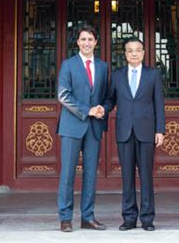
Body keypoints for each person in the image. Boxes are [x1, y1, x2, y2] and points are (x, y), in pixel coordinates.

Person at [103, 37, 165, 231]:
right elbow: (110, 100)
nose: (134, 53)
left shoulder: (152, 74)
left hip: (146, 131)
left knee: (146, 176)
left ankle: (147, 218)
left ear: (144, 52)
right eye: (130, 50)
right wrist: (101, 109)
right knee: (127, 177)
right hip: (124, 131)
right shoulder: (118, 75)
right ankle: (129, 217)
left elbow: (159, 104)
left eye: (138, 50)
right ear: (125, 54)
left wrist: (160, 130)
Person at [56, 26, 108, 233]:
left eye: (91, 39)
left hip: (94, 128)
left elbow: (105, 94)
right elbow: (63, 96)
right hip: (71, 126)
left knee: (90, 175)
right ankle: (65, 218)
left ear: (96, 42)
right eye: (83, 39)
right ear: (77, 42)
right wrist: (88, 111)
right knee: (67, 174)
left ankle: (88, 217)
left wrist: (103, 108)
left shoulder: (103, 67)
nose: (87, 43)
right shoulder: (68, 65)